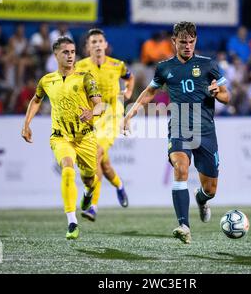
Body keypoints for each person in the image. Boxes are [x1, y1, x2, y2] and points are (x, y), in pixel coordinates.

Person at [123, 22, 230, 244]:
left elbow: (227, 96)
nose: (188, 46)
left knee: (210, 189)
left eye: (191, 42)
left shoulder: (208, 65)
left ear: (195, 41)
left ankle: (202, 199)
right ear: (174, 42)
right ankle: (184, 225)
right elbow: (149, 92)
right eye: (183, 42)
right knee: (180, 168)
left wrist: (217, 92)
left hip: (206, 131)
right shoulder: (164, 68)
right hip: (179, 127)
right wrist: (130, 113)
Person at [21, 37, 103, 240]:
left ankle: (87, 193)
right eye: (65, 52)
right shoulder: (47, 80)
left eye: (73, 52)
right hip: (60, 137)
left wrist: (92, 113)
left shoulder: (85, 77)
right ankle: (72, 221)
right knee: (67, 169)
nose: (70, 56)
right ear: (55, 55)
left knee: (90, 179)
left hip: (85, 138)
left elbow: (100, 105)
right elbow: (36, 100)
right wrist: (26, 124)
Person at [75, 28, 134, 221]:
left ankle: (92, 205)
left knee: (96, 154)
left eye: (100, 41)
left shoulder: (117, 65)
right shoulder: (80, 66)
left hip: (112, 115)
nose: (98, 45)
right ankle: (119, 185)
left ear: (106, 45)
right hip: (92, 115)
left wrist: (128, 93)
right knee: (104, 164)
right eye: (93, 42)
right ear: (87, 47)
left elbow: (130, 77)